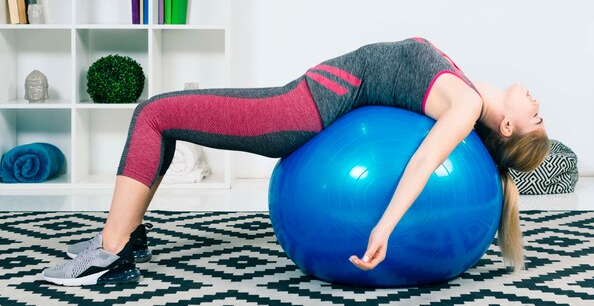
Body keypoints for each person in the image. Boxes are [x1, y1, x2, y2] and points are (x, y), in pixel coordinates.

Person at [41, 37, 550, 286]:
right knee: (160, 115)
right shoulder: (467, 89)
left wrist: (384, 229)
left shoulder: (464, 108)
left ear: (507, 128)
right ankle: (125, 235)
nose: (536, 102)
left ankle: (111, 254)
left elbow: (420, 163)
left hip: (300, 110)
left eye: (537, 116)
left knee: (154, 113)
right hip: (306, 100)